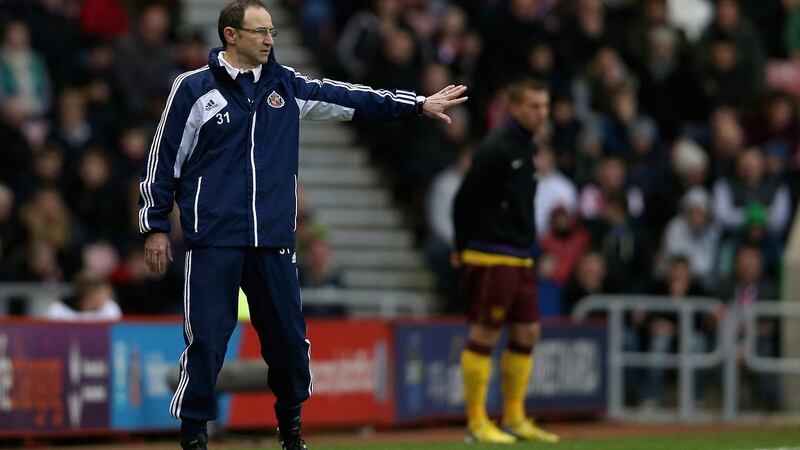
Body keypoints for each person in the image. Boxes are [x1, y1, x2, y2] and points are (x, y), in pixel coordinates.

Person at [136, 2, 468, 450]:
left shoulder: (286, 85)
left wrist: (416, 104)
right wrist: (156, 225)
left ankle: (290, 428)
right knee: (206, 343)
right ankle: (194, 436)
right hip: (213, 240)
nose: (270, 38)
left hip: (273, 239)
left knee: (290, 343)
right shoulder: (193, 89)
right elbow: (163, 159)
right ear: (230, 36)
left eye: (272, 30)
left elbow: (351, 97)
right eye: (259, 31)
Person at [452, 79, 558, 444]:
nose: (541, 113)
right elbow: (465, 199)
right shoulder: (496, 148)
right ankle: (476, 422)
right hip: (491, 253)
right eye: (533, 106)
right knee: (485, 334)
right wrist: (461, 246)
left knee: (528, 332)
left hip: (520, 256)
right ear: (513, 107)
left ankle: (514, 416)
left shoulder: (526, 147)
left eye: (545, 107)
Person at [45, 271, 122, 321]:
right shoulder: (58, 309)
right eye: (102, 293)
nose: (108, 296)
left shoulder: (110, 307)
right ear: (88, 295)